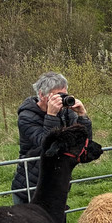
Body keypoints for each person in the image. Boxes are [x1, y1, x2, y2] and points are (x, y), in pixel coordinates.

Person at [13, 72, 92, 205]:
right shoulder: (26, 116)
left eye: (64, 95)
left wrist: (82, 116)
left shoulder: (66, 112)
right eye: (58, 96)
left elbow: (85, 144)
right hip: (31, 186)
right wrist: (51, 116)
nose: (62, 100)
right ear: (42, 95)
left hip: (58, 183)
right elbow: (47, 146)